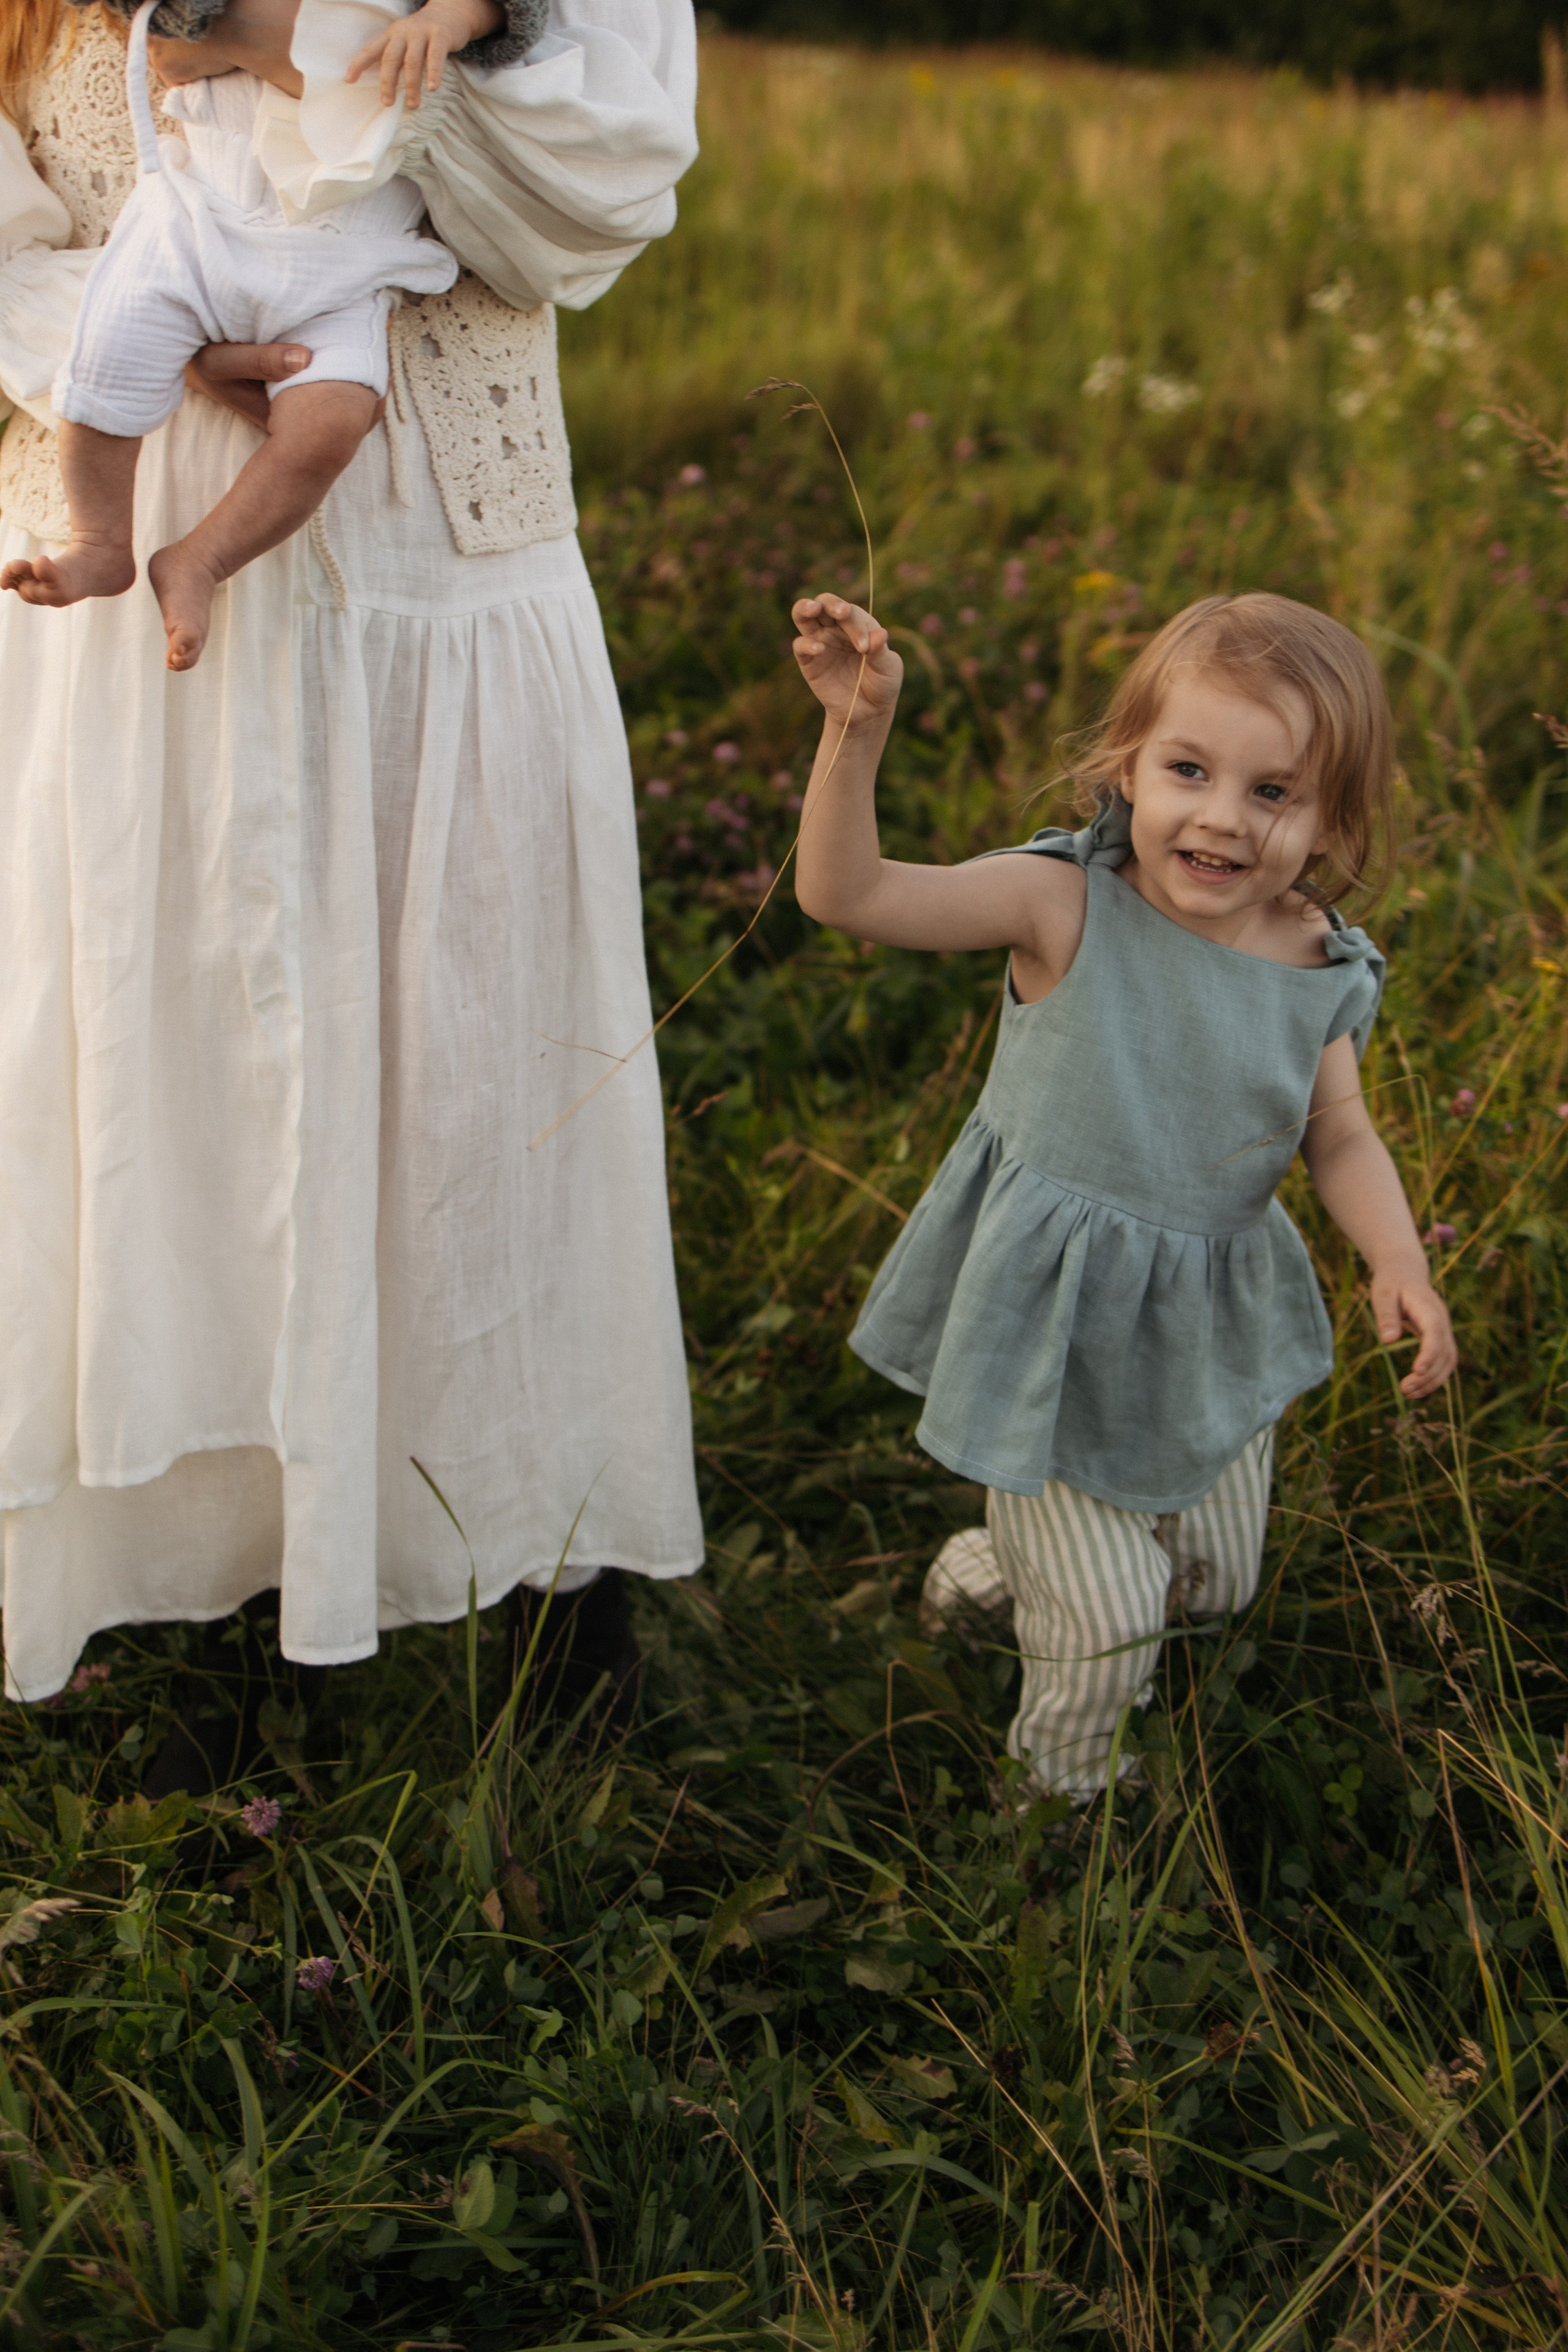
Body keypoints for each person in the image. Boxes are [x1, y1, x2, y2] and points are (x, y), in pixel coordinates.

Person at [0, 0, 705, 1770]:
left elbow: (593, 200)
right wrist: (146, 342)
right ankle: (205, 1581)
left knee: (477, 1078)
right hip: (129, 591)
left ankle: (536, 1572)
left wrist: (295, 50)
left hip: (442, 581)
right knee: (172, 1083)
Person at [790, 587, 1456, 1804]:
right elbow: (851, 896)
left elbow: (1339, 1134)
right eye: (1188, 770)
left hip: (1203, 1322)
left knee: (1209, 1582)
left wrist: (1396, 1261)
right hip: (1052, 1320)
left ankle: (994, 1566)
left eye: (1272, 792)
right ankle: (1060, 1812)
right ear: (1126, 768)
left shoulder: (1312, 959)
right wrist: (856, 731)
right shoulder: (1063, 905)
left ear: (1329, 816)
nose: (1219, 819)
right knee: (1110, 1621)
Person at [1, 0, 494, 669]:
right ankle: (99, 540)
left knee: (329, 424)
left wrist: (451, 21)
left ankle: (201, 559)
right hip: (200, 220)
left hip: (348, 252)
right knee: (99, 369)